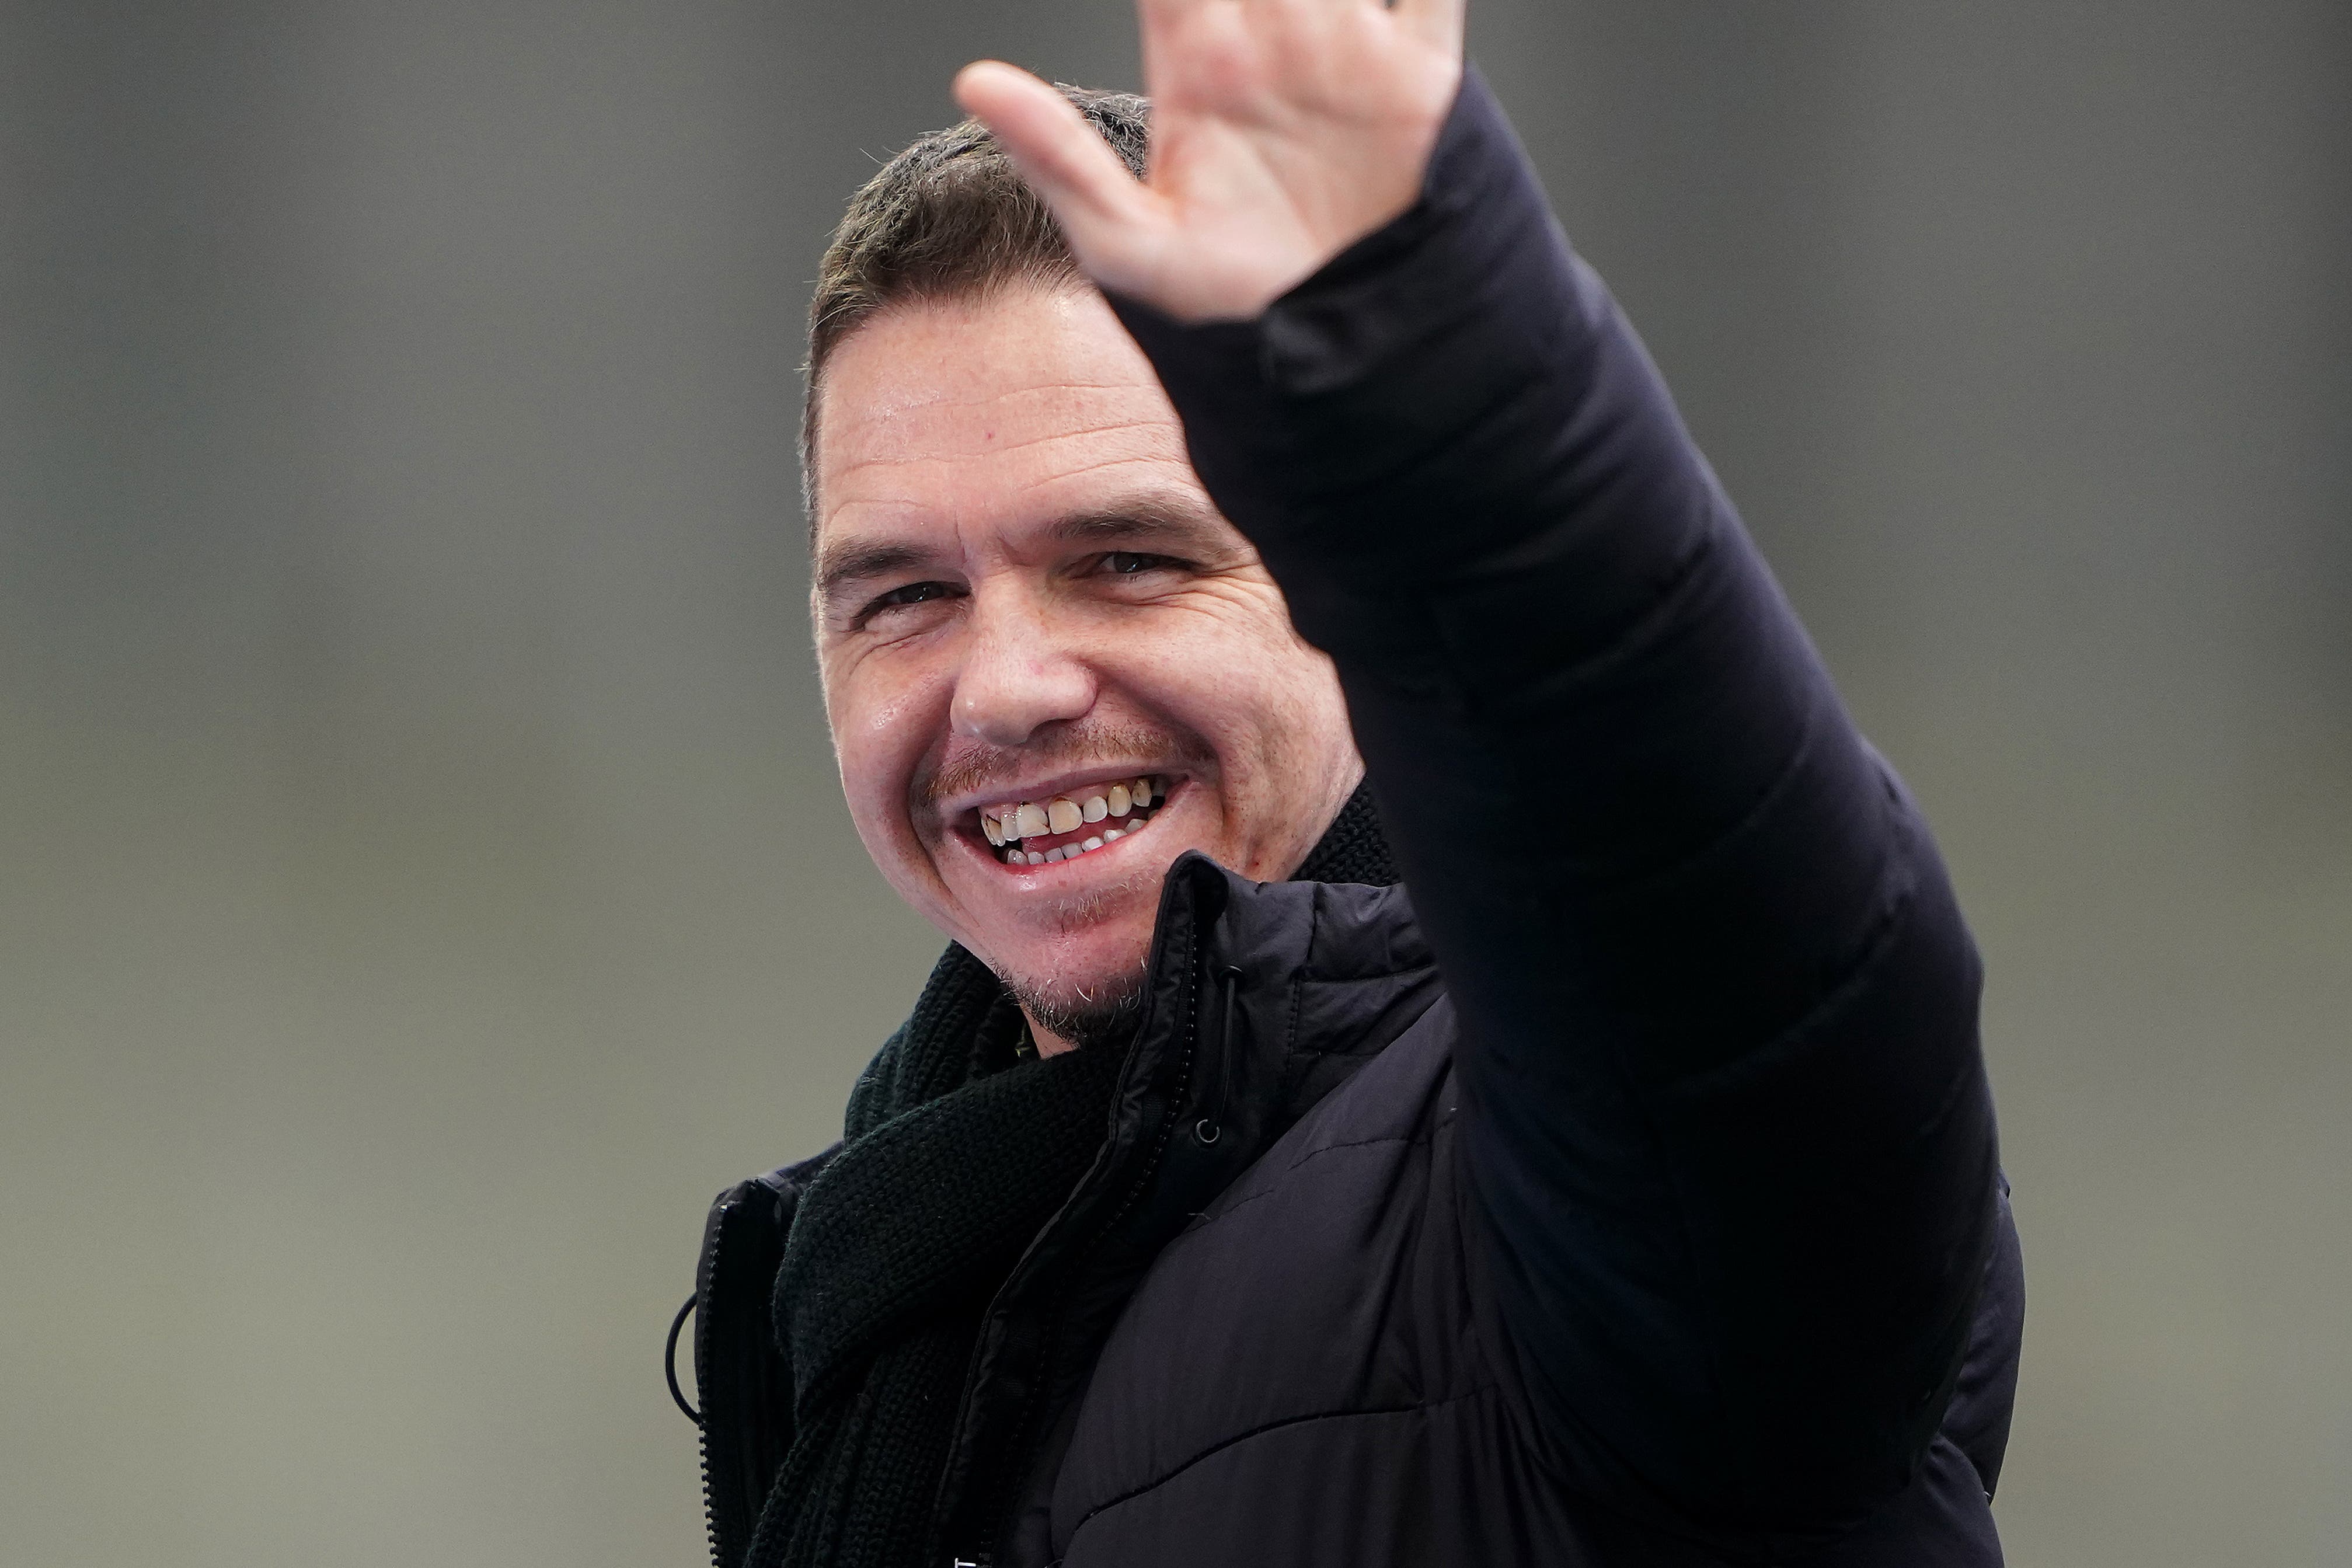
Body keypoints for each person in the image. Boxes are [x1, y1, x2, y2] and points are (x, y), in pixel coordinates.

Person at [681, 0, 2023, 1562]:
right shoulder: (895, 1264)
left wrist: (1455, 375)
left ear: (1352, 588)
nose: (1010, 686)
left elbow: (1757, 980)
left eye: (1129, 560)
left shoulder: (1584, 1189)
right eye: (905, 597)